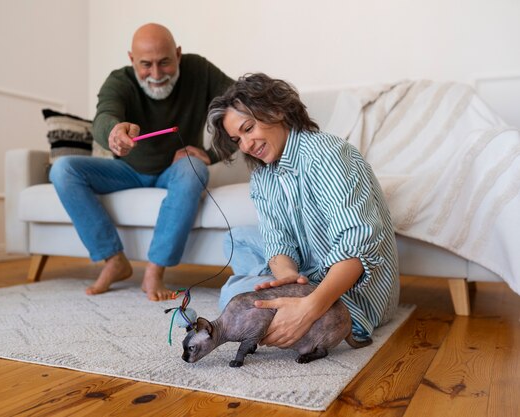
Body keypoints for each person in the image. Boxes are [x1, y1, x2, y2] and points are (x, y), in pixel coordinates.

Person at [206, 73, 400, 348]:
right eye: (237, 140)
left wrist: (308, 307)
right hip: (307, 275)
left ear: (276, 110)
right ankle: (285, 296)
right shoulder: (263, 178)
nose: (246, 146)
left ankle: (308, 311)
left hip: (351, 294)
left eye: (248, 129)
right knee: (236, 239)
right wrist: (286, 278)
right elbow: (277, 240)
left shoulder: (329, 155)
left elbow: (356, 245)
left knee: (233, 297)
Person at [50, 23, 233, 301]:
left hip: (176, 170)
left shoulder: (200, 70)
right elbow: (105, 115)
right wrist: (112, 132)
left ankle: (155, 270)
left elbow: (241, 105)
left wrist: (212, 154)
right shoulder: (119, 80)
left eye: (165, 63)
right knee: (63, 170)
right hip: (126, 170)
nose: (156, 74)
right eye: (146, 64)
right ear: (131, 60)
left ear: (179, 54)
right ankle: (114, 260)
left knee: (194, 167)